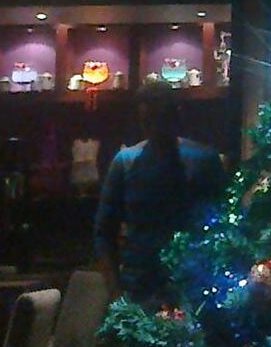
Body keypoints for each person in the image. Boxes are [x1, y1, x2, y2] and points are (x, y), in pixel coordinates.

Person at [93, 92, 226, 303]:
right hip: (143, 285)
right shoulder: (127, 162)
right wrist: (116, 294)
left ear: (176, 117)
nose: (156, 128)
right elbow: (104, 232)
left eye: (160, 119)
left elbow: (222, 224)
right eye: (150, 121)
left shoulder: (202, 160)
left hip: (188, 284)